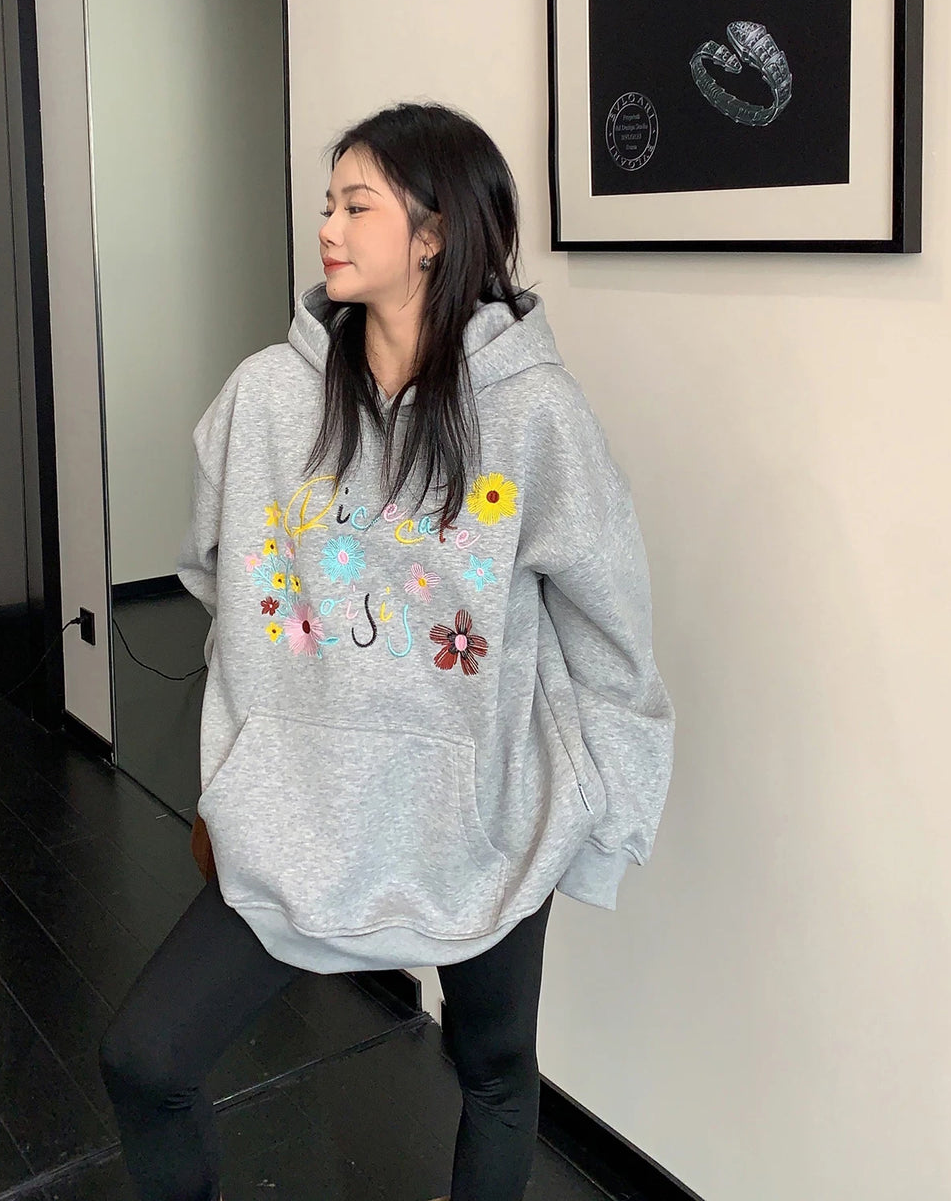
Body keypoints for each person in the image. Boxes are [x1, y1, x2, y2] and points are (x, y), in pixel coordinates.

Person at [98, 102, 676, 1201]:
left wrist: (606, 815)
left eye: (356, 205)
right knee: (146, 1057)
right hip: (303, 811)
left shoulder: (534, 413)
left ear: (434, 233)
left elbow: (611, 628)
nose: (327, 226)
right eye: (328, 203)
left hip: (483, 817)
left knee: (494, 1070)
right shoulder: (268, 396)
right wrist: (264, 734)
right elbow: (218, 572)